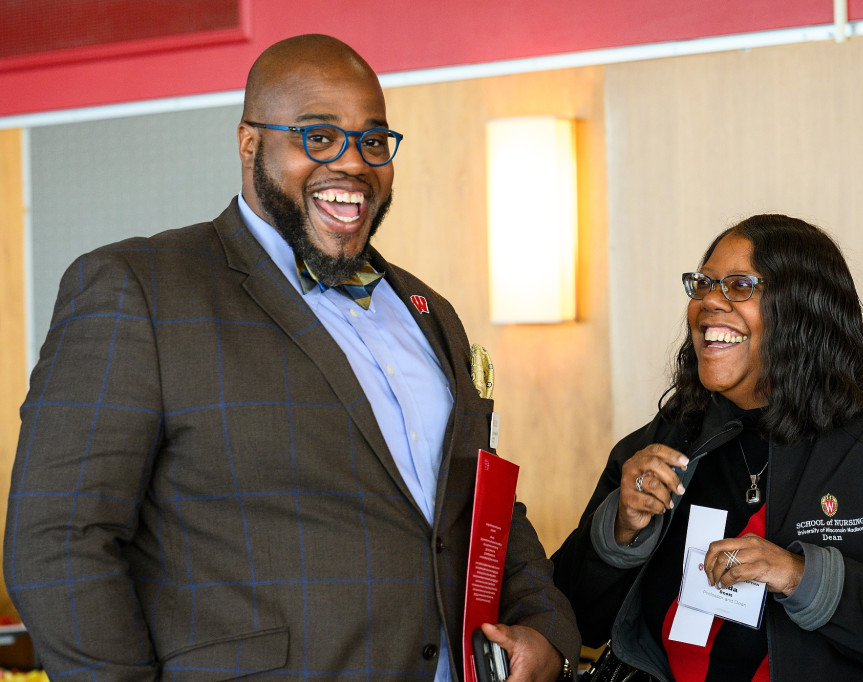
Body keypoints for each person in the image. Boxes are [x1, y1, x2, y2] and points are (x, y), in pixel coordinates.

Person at [4, 34, 579, 681]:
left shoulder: (428, 309)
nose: (353, 164)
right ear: (250, 143)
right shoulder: (140, 290)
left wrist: (547, 629)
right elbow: (57, 543)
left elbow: (483, 504)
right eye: (319, 136)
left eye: (372, 140)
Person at [551, 214, 863, 681]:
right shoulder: (662, 443)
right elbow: (568, 623)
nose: (709, 301)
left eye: (739, 286)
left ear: (803, 309)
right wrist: (620, 531)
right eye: (704, 283)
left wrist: (801, 577)